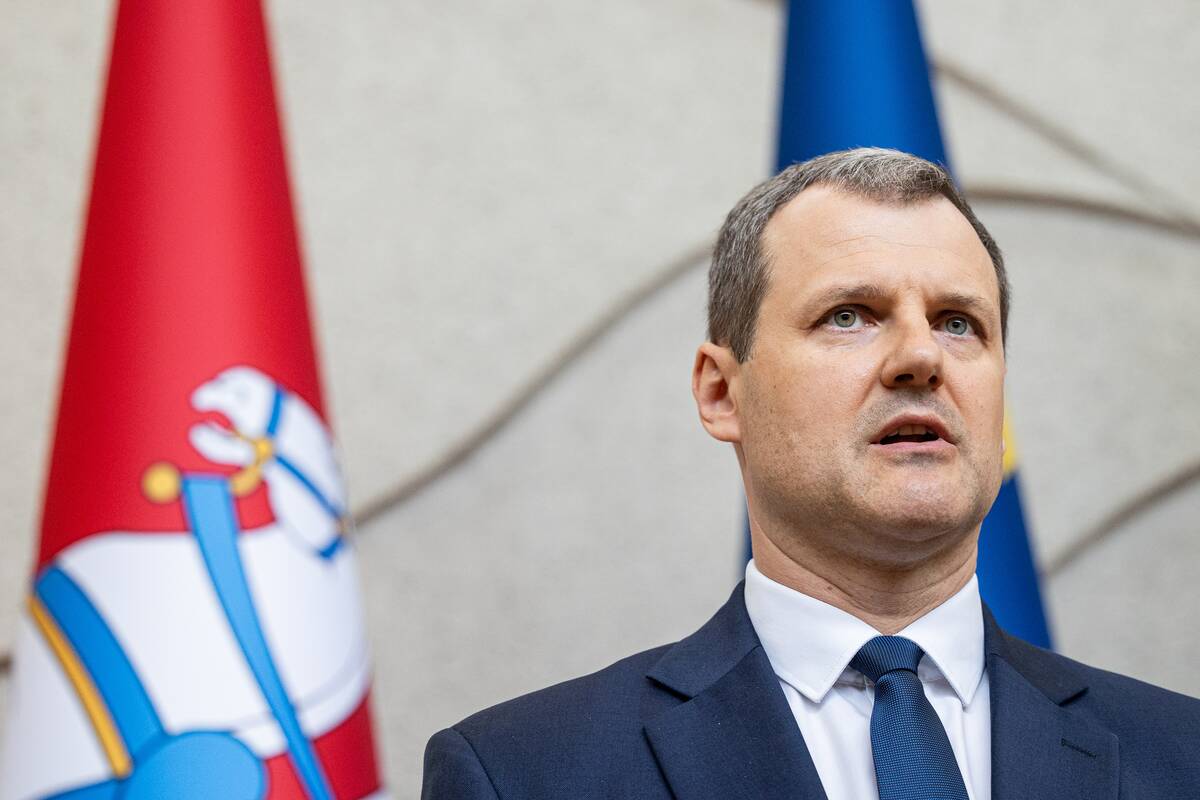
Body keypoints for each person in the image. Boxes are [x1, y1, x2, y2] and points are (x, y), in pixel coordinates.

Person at [420, 148, 1200, 799]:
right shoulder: (522, 775)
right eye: (849, 316)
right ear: (721, 393)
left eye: (958, 323)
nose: (921, 356)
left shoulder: (1182, 756)